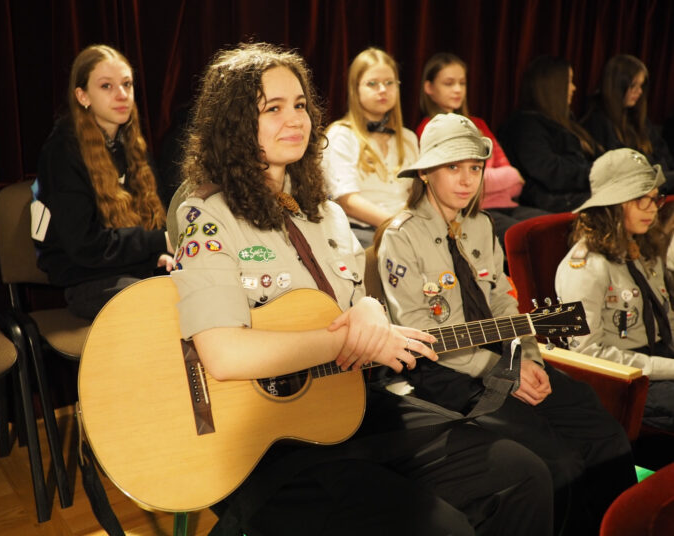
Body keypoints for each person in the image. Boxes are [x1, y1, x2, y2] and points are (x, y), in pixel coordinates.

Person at [170, 43, 554, 536]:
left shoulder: (324, 213)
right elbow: (222, 355)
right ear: (233, 123)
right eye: (273, 108)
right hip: (269, 442)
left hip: (354, 403)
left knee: (524, 477)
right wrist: (347, 339)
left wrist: (370, 308)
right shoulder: (207, 215)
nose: (296, 120)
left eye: (301, 105)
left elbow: (353, 304)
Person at [378, 113, 636, 534]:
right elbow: (426, 336)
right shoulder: (401, 236)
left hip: (507, 359)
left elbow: (504, 303)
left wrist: (528, 357)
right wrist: (504, 373)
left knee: (601, 429)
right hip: (447, 375)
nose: (466, 180)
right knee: (560, 462)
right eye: (453, 167)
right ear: (426, 174)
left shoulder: (481, 226)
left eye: (475, 168)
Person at [32, 44, 174, 320]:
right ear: (83, 96)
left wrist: (154, 256)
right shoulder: (62, 151)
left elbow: (143, 222)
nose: (122, 95)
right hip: (86, 281)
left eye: (127, 84)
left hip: (130, 271)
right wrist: (157, 243)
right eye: (107, 86)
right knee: (160, 307)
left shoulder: (132, 144)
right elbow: (84, 245)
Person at [556, 148, 674, 432]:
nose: (653, 208)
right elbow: (587, 355)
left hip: (661, 360)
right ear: (611, 205)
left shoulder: (643, 246)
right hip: (626, 382)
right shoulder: (585, 267)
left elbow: (666, 319)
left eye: (654, 198)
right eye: (639, 200)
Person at [416, 53, 546, 244]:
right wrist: (499, 177)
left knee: (554, 226)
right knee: (526, 237)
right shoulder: (430, 129)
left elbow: (517, 181)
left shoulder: (478, 125)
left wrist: (495, 179)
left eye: (462, 83)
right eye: (449, 83)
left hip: (507, 203)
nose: (457, 89)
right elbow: (456, 182)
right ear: (429, 87)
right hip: (472, 210)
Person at [322, 47, 418, 247]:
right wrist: (397, 225)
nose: (383, 89)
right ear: (355, 89)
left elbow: (416, 195)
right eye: (372, 84)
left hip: (405, 229)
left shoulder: (408, 138)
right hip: (360, 232)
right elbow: (348, 202)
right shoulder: (341, 135)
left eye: (389, 83)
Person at [499, 56, 601, 213]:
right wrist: (598, 173)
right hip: (549, 203)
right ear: (553, 86)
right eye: (569, 82)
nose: (574, 88)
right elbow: (551, 172)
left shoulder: (564, 122)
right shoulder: (525, 125)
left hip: (574, 194)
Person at [581, 54, 674, 193]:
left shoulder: (638, 118)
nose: (639, 91)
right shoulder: (597, 120)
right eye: (633, 85)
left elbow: (663, 153)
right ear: (617, 86)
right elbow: (616, 166)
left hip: (654, 185)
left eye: (641, 85)